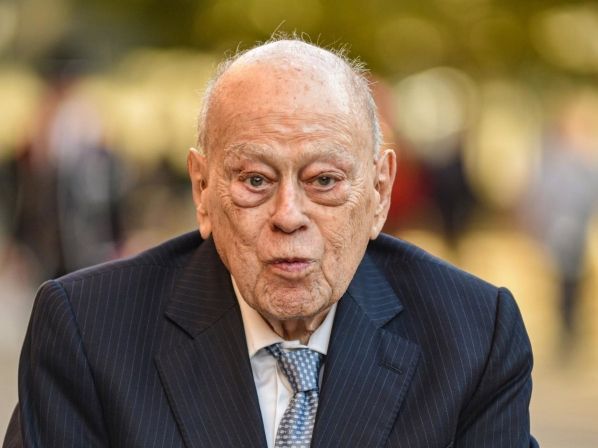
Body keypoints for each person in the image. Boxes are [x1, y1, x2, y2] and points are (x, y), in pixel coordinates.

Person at [4, 38, 538, 448]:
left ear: (379, 193)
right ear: (202, 189)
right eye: (255, 180)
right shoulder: (88, 331)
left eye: (324, 180)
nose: (288, 216)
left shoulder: (473, 338)